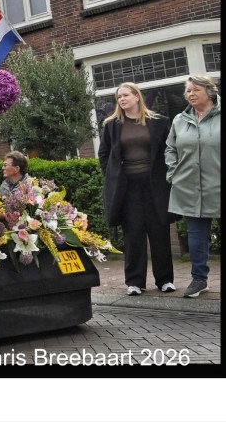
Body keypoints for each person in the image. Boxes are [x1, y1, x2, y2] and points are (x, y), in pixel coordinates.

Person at [98, 82, 174, 296]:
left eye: (125, 95)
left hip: (155, 185)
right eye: (119, 97)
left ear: (136, 97)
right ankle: (134, 281)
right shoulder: (111, 125)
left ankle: (165, 279)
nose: (121, 100)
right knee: (133, 234)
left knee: (160, 231)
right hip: (127, 187)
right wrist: (112, 175)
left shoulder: (158, 122)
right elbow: (104, 154)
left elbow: (169, 150)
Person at [166, 75, 221, 298]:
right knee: (196, 234)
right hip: (188, 186)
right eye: (188, 91)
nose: (190, 94)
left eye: (195, 89)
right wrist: (173, 173)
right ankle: (199, 279)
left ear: (210, 92)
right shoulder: (180, 120)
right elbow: (170, 148)